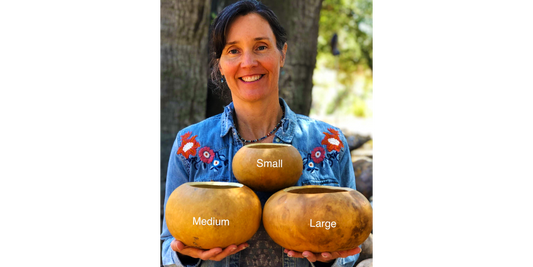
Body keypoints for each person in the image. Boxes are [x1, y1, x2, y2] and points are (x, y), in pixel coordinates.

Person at [158, 1, 361, 266]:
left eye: (261, 47)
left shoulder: (329, 142)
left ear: (282, 54)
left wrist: (328, 259)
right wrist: (185, 255)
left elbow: (351, 243)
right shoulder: (190, 145)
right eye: (233, 50)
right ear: (220, 64)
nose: (248, 62)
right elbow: (169, 245)